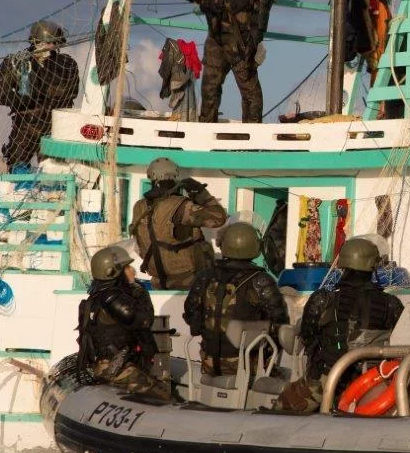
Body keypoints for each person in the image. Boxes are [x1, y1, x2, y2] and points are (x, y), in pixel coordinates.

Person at [276, 237, 404, 414]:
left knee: (278, 410)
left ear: (343, 263)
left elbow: (308, 336)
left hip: (327, 380)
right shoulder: (392, 304)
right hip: (372, 383)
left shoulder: (323, 299)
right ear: (373, 266)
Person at [184, 222, 289, 378]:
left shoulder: (205, 276)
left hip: (209, 361)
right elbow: (281, 323)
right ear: (255, 246)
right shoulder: (261, 280)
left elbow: (190, 313)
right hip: (246, 364)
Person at [76, 245, 171, 401]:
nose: (132, 270)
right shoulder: (112, 298)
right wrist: (139, 289)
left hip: (107, 365)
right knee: (165, 399)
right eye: (126, 267)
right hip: (117, 368)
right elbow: (144, 320)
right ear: (113, 272)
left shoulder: (98, 296)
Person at [0, 20, 80, 170]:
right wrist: (23, 100)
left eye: (55, 43)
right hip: (25, 126)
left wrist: (51, 99)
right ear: (38, 41)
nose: (52, 46)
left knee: (53, 171)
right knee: (17, 169)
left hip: (54, 127)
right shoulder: (15, 62)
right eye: (50, 42)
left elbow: (73, 92)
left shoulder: (67, 64)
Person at [129, 157, 226, 290]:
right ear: (174, 176)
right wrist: (201, 194)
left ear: (150, 176)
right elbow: (219, 218)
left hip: (158, 281)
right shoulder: (181, 206)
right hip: (188, 283)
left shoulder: (139, 206)